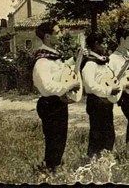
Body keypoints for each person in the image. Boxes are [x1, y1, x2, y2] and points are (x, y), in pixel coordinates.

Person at [32, 21, 82, 172]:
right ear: (48, 37)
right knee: (54, 139)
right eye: (58, 32)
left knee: (60, 138)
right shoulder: (42, 61)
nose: (61, 35)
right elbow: (47, 86)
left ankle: (53, 168)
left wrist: (75, 59)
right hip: (50, 103)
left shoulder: (53, 56)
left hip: (57, 103)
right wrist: (69, 86)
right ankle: (50, 170)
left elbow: (61, 73)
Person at [82, 32, 120, 158]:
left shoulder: (103, 61)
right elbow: (90, 86)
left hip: (105, 102)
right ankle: (93, 162)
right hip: (96, 102)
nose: (105, 46)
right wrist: (109, 91)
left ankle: (105, 161)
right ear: (96, 44)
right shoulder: (90, 64)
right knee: (97, 134)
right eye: (103, 43)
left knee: (109, 133)